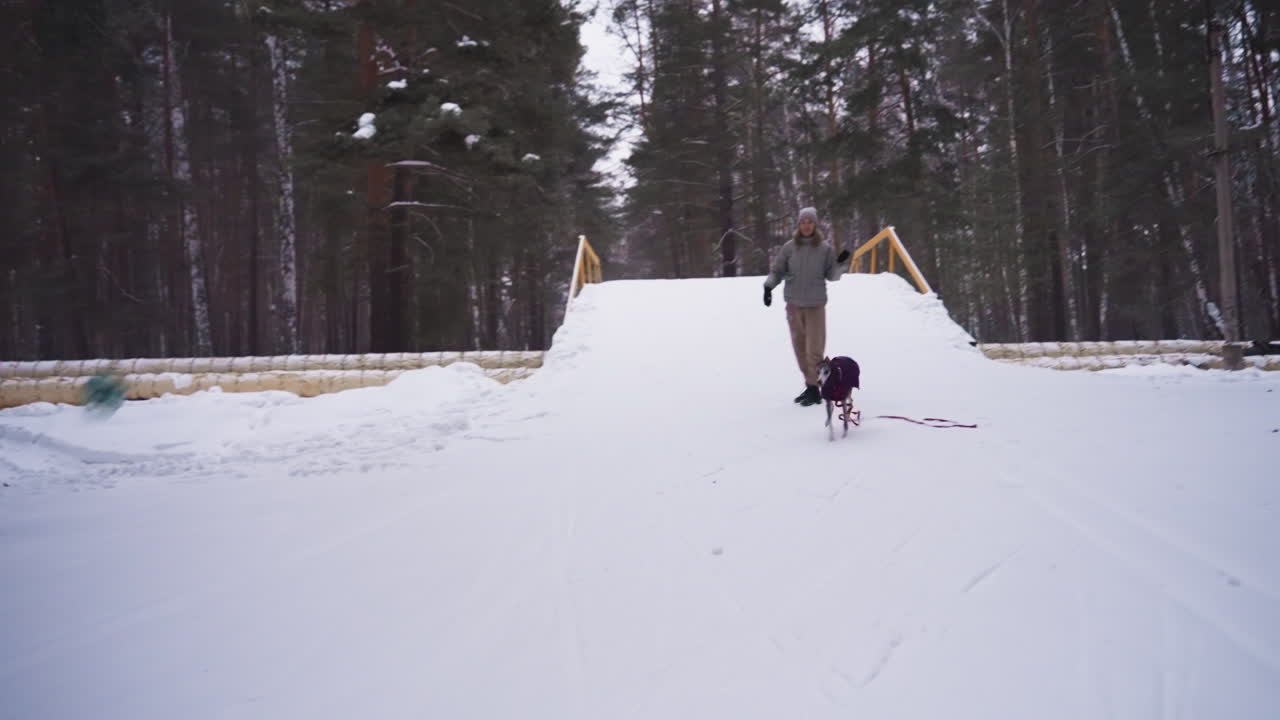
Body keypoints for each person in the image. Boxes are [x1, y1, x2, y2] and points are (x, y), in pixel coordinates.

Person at [762, 207, 850, 406]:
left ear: (815, 224)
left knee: (814, 350)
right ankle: (811, 386)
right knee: (799, 349)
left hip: (815, 306)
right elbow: (777, 271)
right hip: (793, 306)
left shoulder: (824, 249)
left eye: (810, 222)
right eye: (803, 222)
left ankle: (817, 388)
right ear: (799, 225)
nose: (807, 225)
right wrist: (768, 287)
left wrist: (840, 264)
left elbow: (832, 276)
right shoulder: (789, 248)